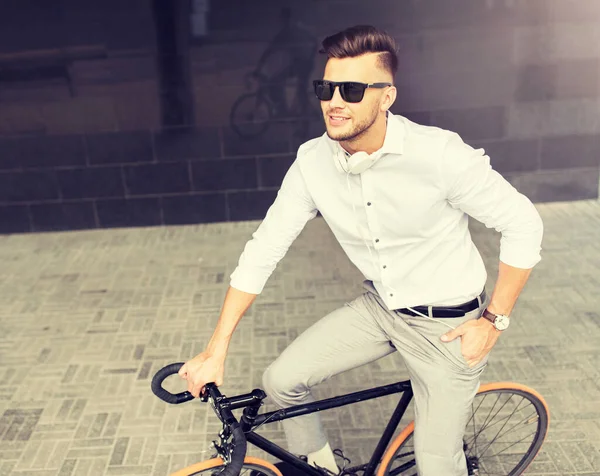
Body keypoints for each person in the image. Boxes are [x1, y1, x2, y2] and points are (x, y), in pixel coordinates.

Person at [179, 25, 544, 476]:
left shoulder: (439, 155)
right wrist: (217, 349)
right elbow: (263, 250)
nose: (334, 101)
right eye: (326, 88)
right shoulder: (312, 162)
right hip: (381, 307)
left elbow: (523, 223)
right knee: (281, 382)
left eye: (351, 90)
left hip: (447, 328)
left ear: (386, 96)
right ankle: (318, 471)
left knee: (436, 465)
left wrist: (493, 320)